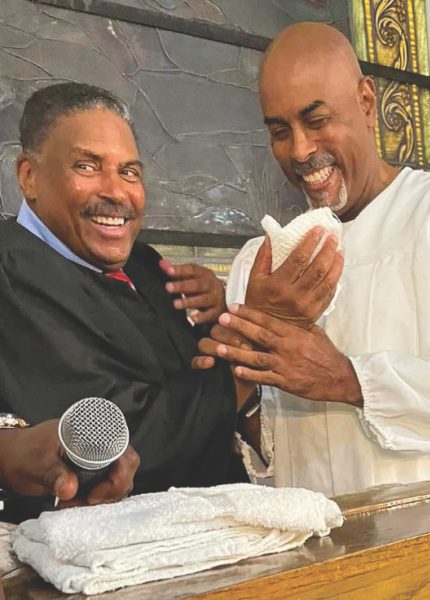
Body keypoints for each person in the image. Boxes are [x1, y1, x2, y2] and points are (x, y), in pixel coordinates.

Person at [196, 22, 430, 498]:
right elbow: (268, 451)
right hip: (324, 558)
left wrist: (350, 380)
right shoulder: (259, 264)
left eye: (316, 120)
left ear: (367, 103)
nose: (300, 151)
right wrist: (242, 388)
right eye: (279, 131)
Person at [0, 82, 251, 523]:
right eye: (87, 166)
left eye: (130, 172)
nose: (117, 192)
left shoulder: (146, 265)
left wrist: (220, 325)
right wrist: (253, 354)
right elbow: (120, 442)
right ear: (29, 177)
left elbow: (197, 373)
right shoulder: (9, 273)